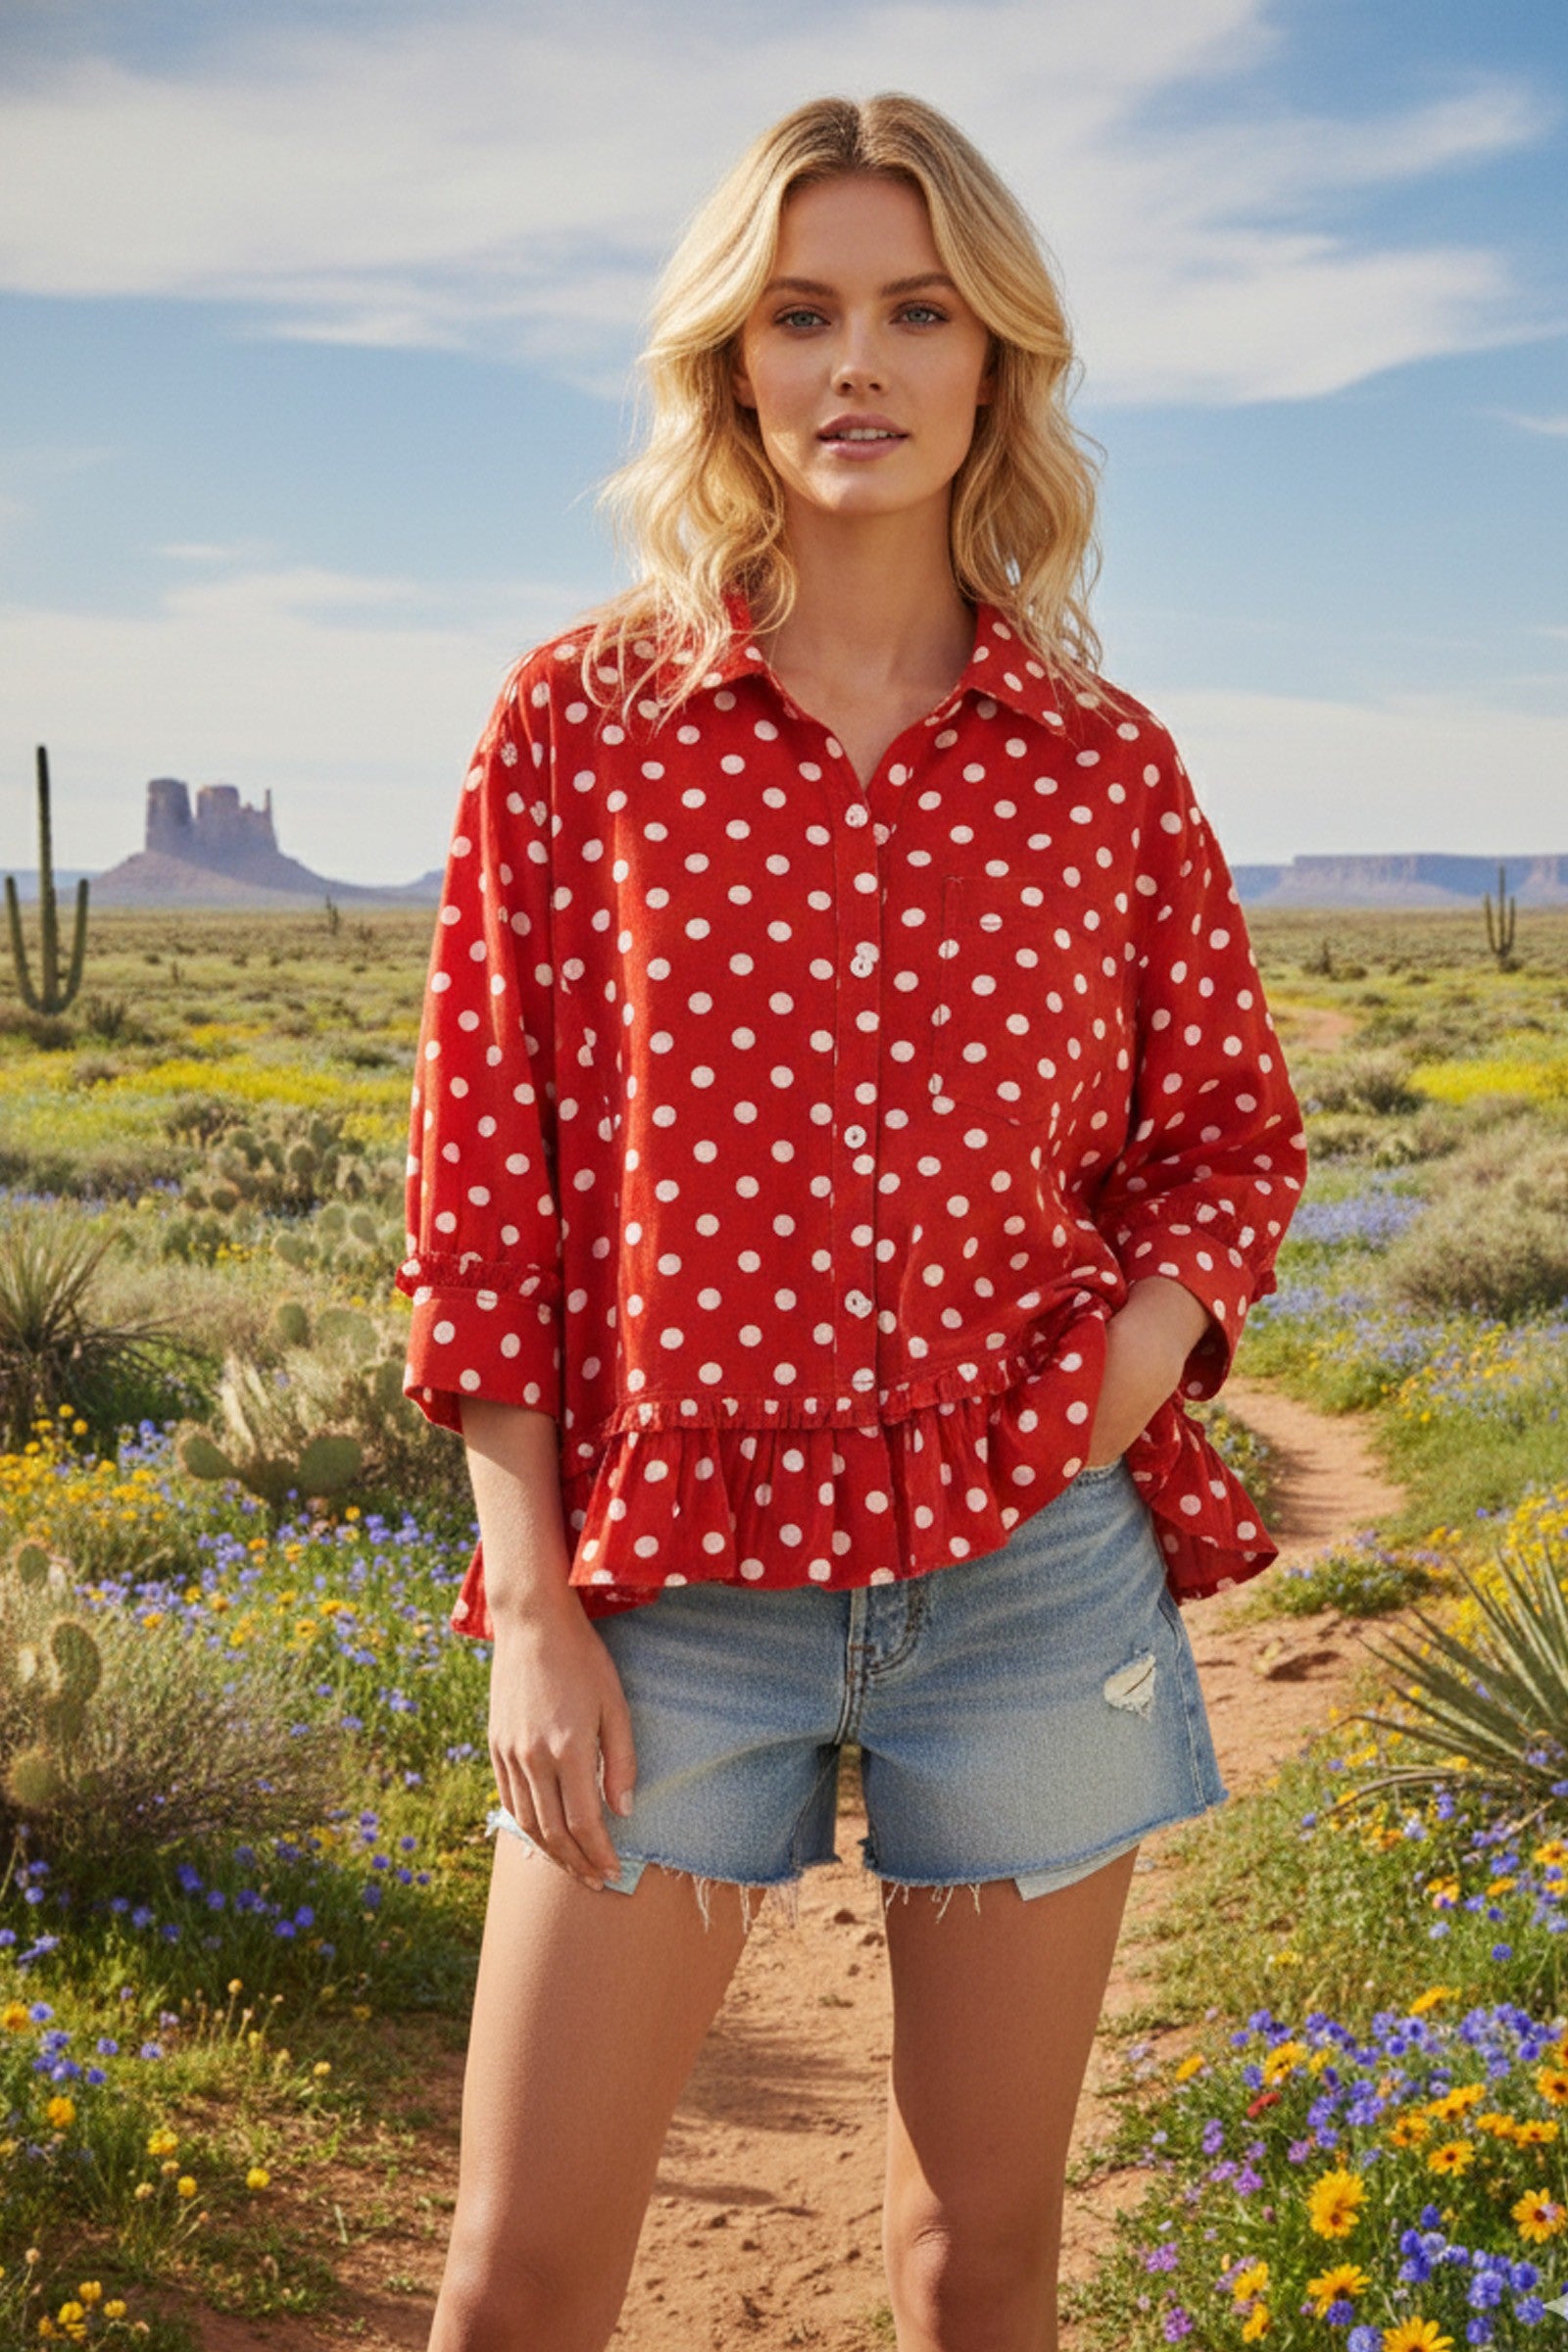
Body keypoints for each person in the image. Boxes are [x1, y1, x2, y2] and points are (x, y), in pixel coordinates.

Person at [399, 91, 1305, 2352]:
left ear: (996, 362)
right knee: (518, 2280)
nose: (856, 366)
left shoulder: (1103, 763)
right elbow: (480, 1189)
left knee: (974, 2263)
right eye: (800, 313)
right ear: (728, 363)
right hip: (660, 1590)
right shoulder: (578, 730)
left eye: (916, 311)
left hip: (1023, 1580)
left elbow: (1225, 1131)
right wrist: (529, 1601)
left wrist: (1101, 1404)